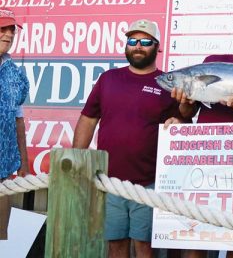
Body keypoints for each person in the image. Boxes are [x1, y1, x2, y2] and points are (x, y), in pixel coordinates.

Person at [72, 19, 188, 258]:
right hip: (109, 181)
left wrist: (180, 121)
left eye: (145, 42)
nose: (138, 46)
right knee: (115, 244)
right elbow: (88, 119)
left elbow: (182, 122)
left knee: (144, 246)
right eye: (133, 41)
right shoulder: (108, 79)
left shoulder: (169, 84)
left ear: (157, 47)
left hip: (148, 182)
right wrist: (76, 159)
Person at [172, 11, 233, 258]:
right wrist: (183, 103)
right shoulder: (213, 62)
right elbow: (188, 111)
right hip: (205, 161)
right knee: (197, 239)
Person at [0, 8, 29, 240]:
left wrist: (24, 163)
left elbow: (18, 119)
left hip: (2, 174)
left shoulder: (16, 75)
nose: (8, 35)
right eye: (2, 29)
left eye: (12, 30)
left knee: (0, 238)